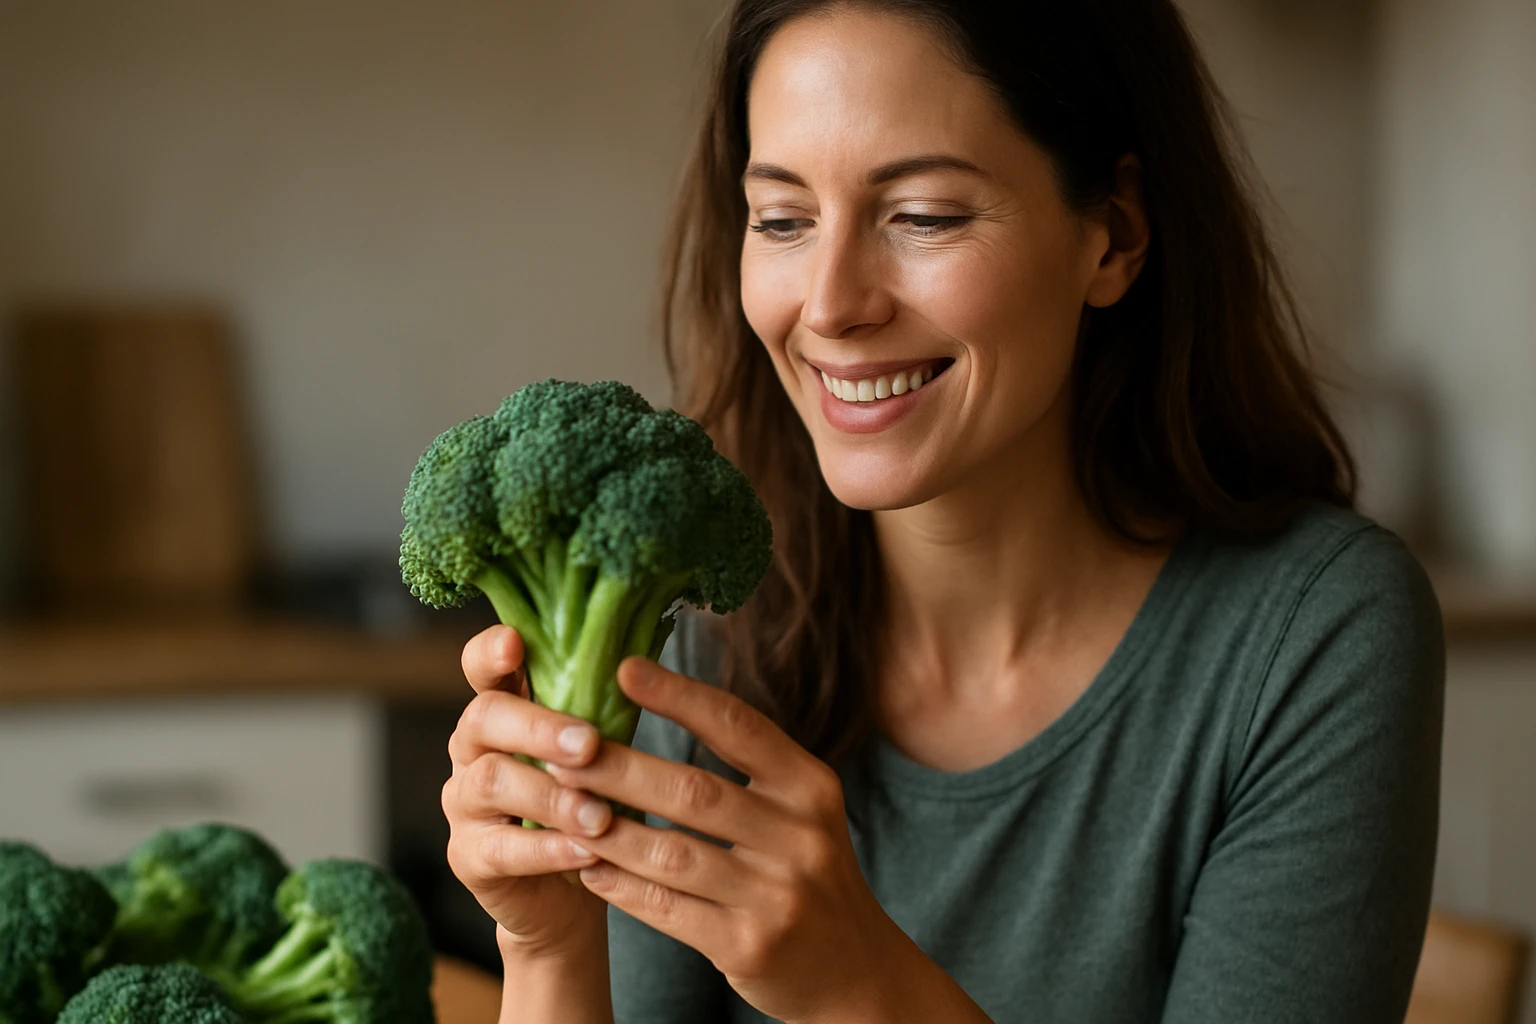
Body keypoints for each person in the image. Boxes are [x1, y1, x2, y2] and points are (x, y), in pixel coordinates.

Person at [440, 1, 1446, 1021]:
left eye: (924, 215)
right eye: (783, 220)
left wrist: (861, 989)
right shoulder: (694, 625)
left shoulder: (1315, 634)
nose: (830, 304)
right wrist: (550, 942)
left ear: (1115, 236)